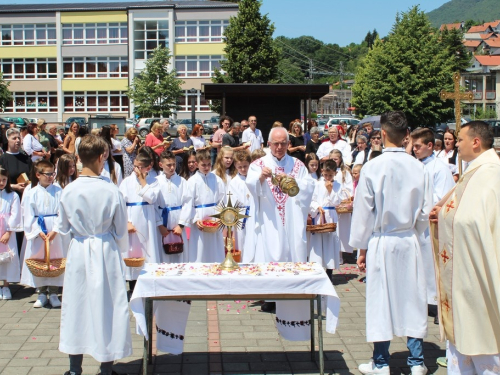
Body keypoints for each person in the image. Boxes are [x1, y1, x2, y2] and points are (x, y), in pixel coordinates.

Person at [350, 111, 431, 375]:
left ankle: (382, 362)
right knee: (412, 298)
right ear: (406, 135)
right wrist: (414, 234)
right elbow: (424, 211)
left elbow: (363, 213)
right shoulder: (419, 167)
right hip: (408, 239)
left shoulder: (372, 167)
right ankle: (417, 362)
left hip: (382, 240)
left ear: (382, 134)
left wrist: (360, 248)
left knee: (380, 300)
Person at [56, 134, 132, 375]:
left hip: (79, 250)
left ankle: (74, 369)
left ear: (78, 158)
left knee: (77, 306)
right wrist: (117, 248)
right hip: (106, 250)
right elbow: (121, 230)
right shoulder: (112, 191)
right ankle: (106, 368)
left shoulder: (68, 191)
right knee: (107, 306)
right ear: (103, 156)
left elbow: (62, 229)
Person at [428, 121, 500, 374]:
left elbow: (474, 221)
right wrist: (442, 213)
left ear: (476, 142)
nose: (456, 144)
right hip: (464, 274)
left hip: (477, 273)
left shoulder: (490, 172)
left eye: (459, 140)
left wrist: (446, 216)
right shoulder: (476, 170)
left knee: (483, 341)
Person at [246, 127, 315, 262]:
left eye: (283, 143)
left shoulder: (297, 165)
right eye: (276, 143)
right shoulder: (258, 164)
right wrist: (260, 177)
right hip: (268, 219)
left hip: (291, 219)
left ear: (288, 143)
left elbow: (309, 186)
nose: (279, 147)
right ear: (269, 143)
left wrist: (292, 180)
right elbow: (250, 185)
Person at [411, 128, 455, 323]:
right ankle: (423, 302)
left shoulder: (439, 168)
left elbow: (442, 197)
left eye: (418, 146)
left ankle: (438, 306)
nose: (414, 150)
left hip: (431, 226)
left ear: (430, 145)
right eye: (413, 146)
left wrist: (419, 206)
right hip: (416, 225)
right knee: (421, 266)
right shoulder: (416, 166)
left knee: (433, 266)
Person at [21, 159, 64, 308]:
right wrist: (37, 231)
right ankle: (41, 292)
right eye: (47, 174)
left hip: (54, 229)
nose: (51, 177)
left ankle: (53, 292)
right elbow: (28, 214)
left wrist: (56, 229)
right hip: (39, 228)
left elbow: (62, 212)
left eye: (53, 174)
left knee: (55, 259)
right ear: (38, 175)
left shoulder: (58, 191)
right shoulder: (31, 193)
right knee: (39, 259)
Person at [119, 150, 160, 290]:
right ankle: (132, 285)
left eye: (139, 167)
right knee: (133, 252)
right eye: (135, 166)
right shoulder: (126, 182)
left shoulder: (154, 181)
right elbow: (121, 204)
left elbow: (152, 198)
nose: (136, 169)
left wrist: (143, 181)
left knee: (148, 250)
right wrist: (126, 222)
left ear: (148, 168)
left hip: (147, 220)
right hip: (132, 220)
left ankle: (149, 283)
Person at [178, 149, 225, 263]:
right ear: (197, 164)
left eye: (209, 164)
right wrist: (196, 219)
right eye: (203, 165)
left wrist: (219, 217)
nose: (206, 167)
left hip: (214, 217)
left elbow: (222, 199)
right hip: (199, 218)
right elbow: (189, 203)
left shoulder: (217, 179)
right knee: (199, 248)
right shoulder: (192, 181)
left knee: (215, 247)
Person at [308, 159, 342, 277]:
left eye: (330, 175)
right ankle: (317, 269)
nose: (328, 177)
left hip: (331, 216)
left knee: (330, 242)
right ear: (322, 172)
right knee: (318, 242)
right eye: (326, 175)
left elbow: (337, 201)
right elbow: (311, 200)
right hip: (320, 215)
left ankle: (329, 271)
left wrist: (330, 190)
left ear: (335, 174)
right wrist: (317, 207)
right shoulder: (317, 184)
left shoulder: (337, 185)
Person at [156, 150, 188, 264]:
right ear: (161, 165)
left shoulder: (182, 181)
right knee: (163, 253)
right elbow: (154, 205)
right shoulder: (156, 182)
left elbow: (187, 203)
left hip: (177, 222)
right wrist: (159, 224)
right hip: (162, 222)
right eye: (168, 165)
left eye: (174, 164)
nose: (172, 167)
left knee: (180, 253)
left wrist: (181, 225)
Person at [0, 167, 22, 300]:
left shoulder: (12, 195)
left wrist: (8, 232)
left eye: (4, 180)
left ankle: (6, 285)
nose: (1, 182)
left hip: (7, 230)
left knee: (8, 256)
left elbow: (15, 215)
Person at [228, 150, 254, 262]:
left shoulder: (254, 179)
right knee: (242, 241)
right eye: (240, 167)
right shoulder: (234, 182)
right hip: (241, 217)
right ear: (235, 165)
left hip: (254, 214)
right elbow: (232, 202)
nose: (243, 169)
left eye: (245, 166)